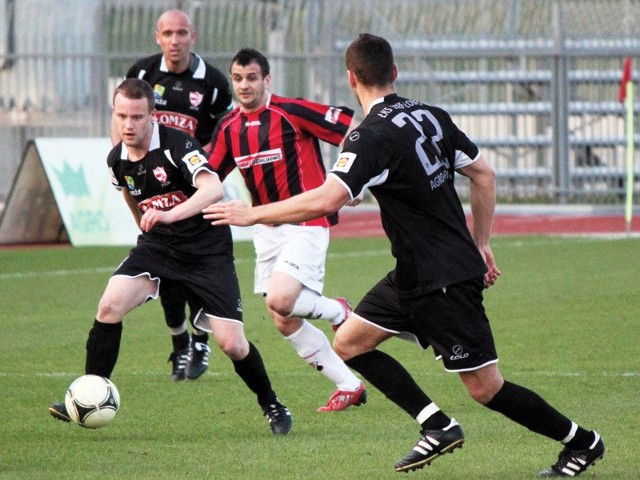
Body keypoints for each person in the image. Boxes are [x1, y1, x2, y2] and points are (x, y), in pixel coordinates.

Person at [203, 34, 605, 476]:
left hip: (444, 279)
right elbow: (483, 174)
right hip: (415, 271)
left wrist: (251, 214)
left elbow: (325, 200)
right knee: (350, 343)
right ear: (394, 72)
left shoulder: (369, 135)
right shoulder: (429, 114)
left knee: (486, 389)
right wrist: (482, 242)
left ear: (351, 77)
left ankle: (583, 442)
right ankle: (436, 425)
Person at [48, 78, 291, 435]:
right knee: (109, 305)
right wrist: (146, 228)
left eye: (136, 117)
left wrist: (169, 214)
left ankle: (271, 403)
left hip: (207, 252)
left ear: (153, 116)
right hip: (158, 248)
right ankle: (90, 393)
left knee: (232, 344)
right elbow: (130, 196)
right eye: (121, 117)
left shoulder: (179, 145)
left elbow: (213, 188)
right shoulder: (117, 159)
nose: (128, 125)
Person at [202, 48, 367, 412]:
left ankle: (338, 311)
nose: (244, 85)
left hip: (307, 221)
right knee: (282, 318)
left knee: (280, 299)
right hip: (266, 227)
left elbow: (352, 130)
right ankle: (349, 384)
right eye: (238, 78)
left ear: (267, 80)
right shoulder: (229, 127)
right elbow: (208, 174)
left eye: (252, 78)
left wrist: (348, 179)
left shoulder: (291, 111)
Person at [115, 9, 234, 382]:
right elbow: (123, 119)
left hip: (197, 186)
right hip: (152, 187)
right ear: (157, 36)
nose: (175, 40)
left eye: (181, 33)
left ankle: (200, 340)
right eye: (168, 33)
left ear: (192, 36)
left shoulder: (212, 82)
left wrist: (204, 170)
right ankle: (179, 341)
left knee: (199, 264)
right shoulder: (142, 73)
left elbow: (225, 131)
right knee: (161, 266)